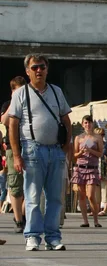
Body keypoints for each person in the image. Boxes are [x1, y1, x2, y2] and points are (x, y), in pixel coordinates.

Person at [8, 55, 72, 251]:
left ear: (47, 69)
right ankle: (33, 236)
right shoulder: (21, 94)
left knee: (54, 198)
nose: (38, 70)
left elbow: (66, 120)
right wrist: (17, 155)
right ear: (27, 71)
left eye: (42, 67)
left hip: (55, 151)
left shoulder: (56, 91)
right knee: (33, 196)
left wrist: (65, 148)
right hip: (32, 149)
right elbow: (13, 124)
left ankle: (53, 237)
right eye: (34, 67)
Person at [1, 76, 27, 233]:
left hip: (29, 145)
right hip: (12, 148)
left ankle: (24, 214)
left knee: (32, 184)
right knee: (15, 183)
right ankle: (18, 220)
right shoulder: (7, 105)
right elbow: (4, 121)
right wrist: (13, 103)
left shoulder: (29, 105)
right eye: (18, 90)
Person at [72, 116, 103, 228]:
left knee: (90, 195)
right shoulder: (78, 138)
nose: (88, 125)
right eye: (85, 123)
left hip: (92, 168)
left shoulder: (97, 138)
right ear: (82, 124)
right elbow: (74, 155)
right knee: (81, 195)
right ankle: (85, 221)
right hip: (80, 168)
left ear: (92, 124)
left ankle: (96, 220)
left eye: (89, 122)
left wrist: (90, 150)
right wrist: (81, 152)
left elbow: (100, 154)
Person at [95, 127, 107, 217]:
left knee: (105, 189)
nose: (102, 136)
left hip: (104, 168)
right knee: (95, 190)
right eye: (100, 134)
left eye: (103, 134)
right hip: (95, 169)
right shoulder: (92, 144)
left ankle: (105, 210)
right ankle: (96, 209)